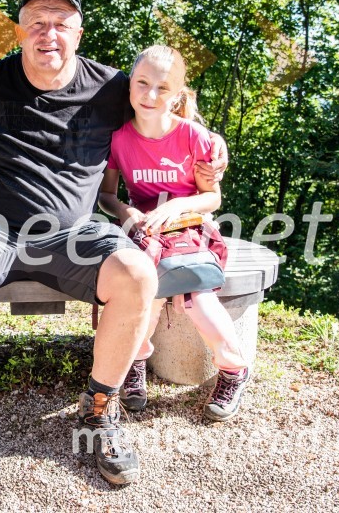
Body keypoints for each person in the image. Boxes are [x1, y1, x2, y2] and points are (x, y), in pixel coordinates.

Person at [0, 0, 229, 511]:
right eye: (36, 21)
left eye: (61, 23)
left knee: (138, 274)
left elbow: (165, 114)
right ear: (19, 30)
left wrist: (209, 140)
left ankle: (100, 408)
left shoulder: (111, 87)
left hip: (71, 231)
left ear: (79, 31)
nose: (49, 33)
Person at [98, 45, 250, 421]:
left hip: (187, 229)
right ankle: (135, 364)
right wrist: (127, 211)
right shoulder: (118, 138)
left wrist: (174, 207)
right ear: (129, 84)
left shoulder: (195, 138)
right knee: (141, 294)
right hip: (144, 232)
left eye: (163, 88)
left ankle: (234, 368)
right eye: (142, 83)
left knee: (196, 297)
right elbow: (106, 196)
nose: (150, 95)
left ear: (179, 94)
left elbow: (211, 198)